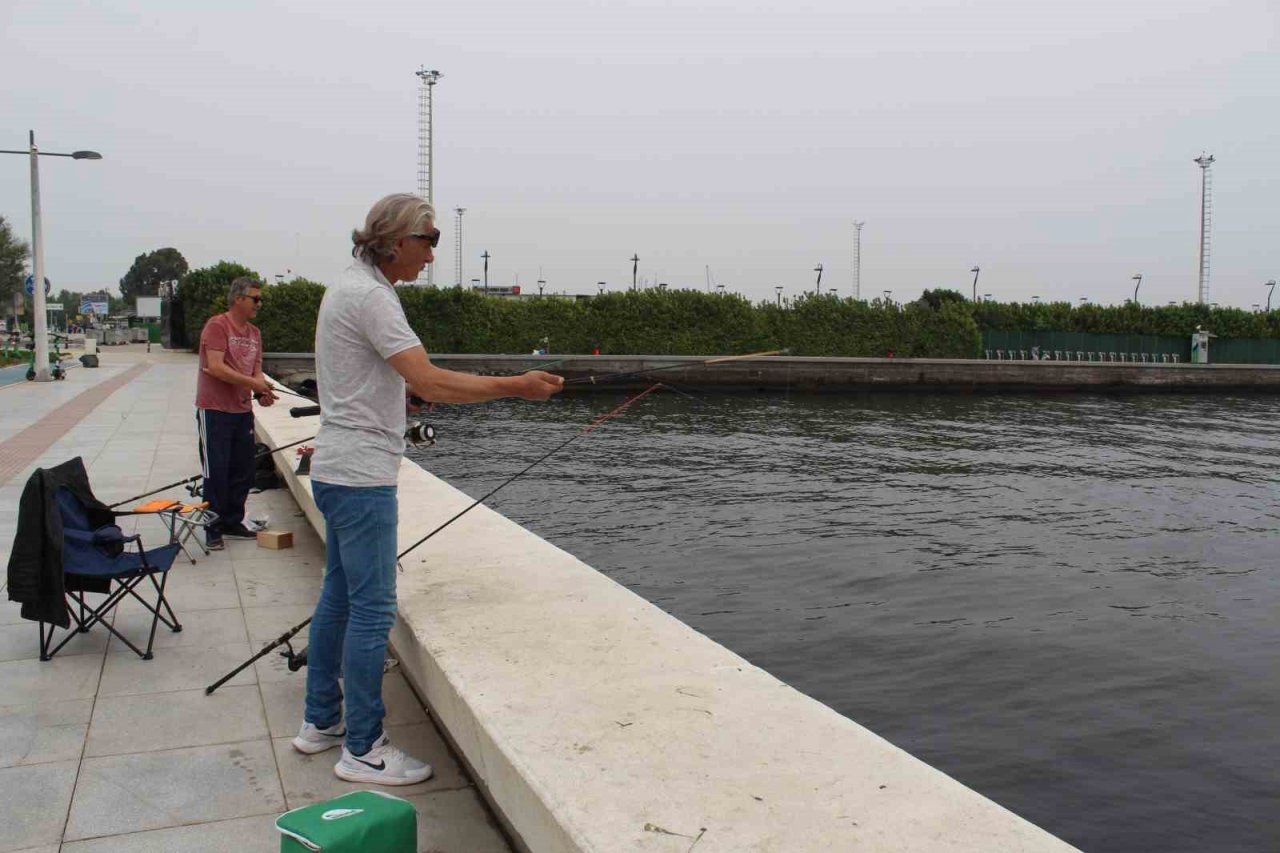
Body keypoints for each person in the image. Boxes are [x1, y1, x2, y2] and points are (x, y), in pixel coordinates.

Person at [292, 193, 562, 786]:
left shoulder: (348, 287)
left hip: (336, 469)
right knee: (372, 611)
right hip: (361, 478)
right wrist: (515, 386)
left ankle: (321, 721)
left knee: (338, 599)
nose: (432, 255)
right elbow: (432, 380)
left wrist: (402, 395)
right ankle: (363, 747)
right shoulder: (373, 297)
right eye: (429, 241)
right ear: (395, 241)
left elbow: (376, 378)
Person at [196, 277, 276, 550]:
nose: (259, 304)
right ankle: (212, 527)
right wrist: (254, 383)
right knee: (216, 472)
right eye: (255, 298)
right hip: (214, 410)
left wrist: (262, 391)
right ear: (238, 299)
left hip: (242, 410)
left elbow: (256, 370)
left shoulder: (254, 333)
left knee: (244, 470)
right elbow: (215, 367)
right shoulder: (217, 326)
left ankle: (232, 521)